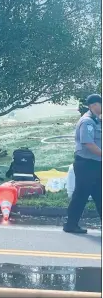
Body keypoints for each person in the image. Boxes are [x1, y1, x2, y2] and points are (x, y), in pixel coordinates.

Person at [64, 94, 102, 234]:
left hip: (96, 164)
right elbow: (88, 144)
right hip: (86, 164)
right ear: (93, 105)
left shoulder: (97, 120)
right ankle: (70, 225)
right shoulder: (87, 122)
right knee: (81, 195)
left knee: (100, 194)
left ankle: (71, 224)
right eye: (101, 103)